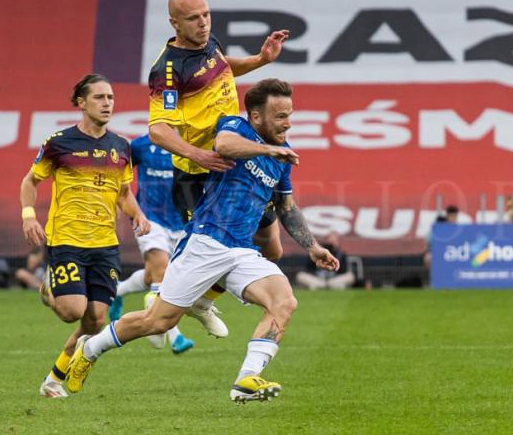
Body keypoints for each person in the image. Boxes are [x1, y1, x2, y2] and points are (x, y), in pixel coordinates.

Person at [65, 78, 339, 403]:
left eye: (289, 115)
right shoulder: (236, 126)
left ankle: (246, 380)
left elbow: (286, 207)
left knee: (284, 302)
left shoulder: (280, 157)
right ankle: (91, 348)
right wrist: (268, 149)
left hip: (241, 251)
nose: (287, 123)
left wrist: (313, 246)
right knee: (158, 322)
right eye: (279, 116)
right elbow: (223, 145)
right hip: (205, 242)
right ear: (255, 117)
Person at [146, 0, 290, 313]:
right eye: (193, 18)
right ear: (174, 23)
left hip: (233, 159)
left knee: (272, 247)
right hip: (198, 174)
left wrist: (260, 59)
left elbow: (223, 66)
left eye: (206, 15)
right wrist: (197, 154)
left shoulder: (209, 42)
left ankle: (204, 301)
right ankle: (159, 306)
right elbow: (157, 130)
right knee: (208, 256)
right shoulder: (167, 71)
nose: (203, 23)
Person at [19, 73, 152, 399]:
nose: (107, 103)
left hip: (105, 244)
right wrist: (28, 217)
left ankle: (53, 379)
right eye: (99, 98)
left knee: (96, 320)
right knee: (71, 312)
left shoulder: (121, 147)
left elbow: (123, 193)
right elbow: (30, 182)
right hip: (66, 240)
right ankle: (50, 291)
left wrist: (138, 214)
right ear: (81, 102)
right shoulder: (59, 143)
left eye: (110, 98)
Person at [108, 133, 223, 354]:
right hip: (149, 219)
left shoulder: (191, 145)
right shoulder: (141, 146)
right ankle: (175, 336)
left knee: (155, 275)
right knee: (162, 271)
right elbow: (119, 178)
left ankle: (118, 291)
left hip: (181, 220)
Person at [423, 205, 459, 269]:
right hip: (439, 252)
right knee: (429, 258)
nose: (453, 218)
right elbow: (427, 239)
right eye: (451, 216)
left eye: (454, 216)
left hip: (454, 253)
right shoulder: (439, 226)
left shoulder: (458, 230)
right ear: (447, 216)